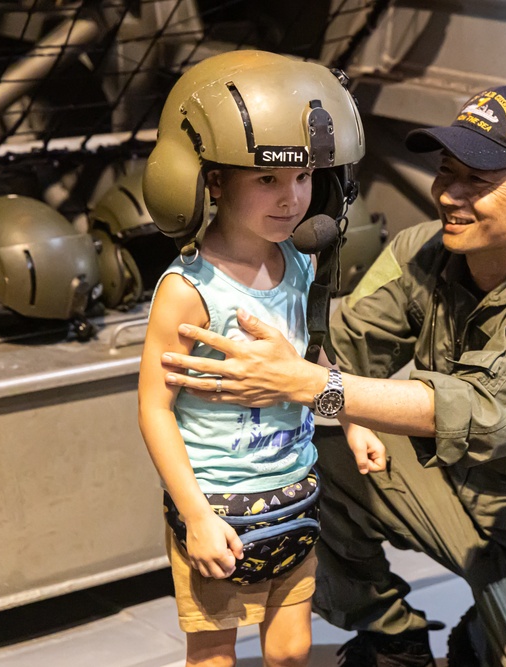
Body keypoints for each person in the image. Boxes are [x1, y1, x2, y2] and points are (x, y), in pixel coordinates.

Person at [162, 85, 506, 667]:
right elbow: (339, 350)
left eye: (478, 182)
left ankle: (489, 630)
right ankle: (390, 635)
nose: (450, 195)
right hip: (441, 485)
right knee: (311, 442)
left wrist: (306, 384)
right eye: (446, 172)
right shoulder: (419, 253)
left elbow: (481, 408)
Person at [137, 51, 379, 667]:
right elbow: (155, 409)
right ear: (213, 181)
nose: (292, 199)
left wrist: (352, 417)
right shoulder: (187, 291)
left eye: (302, 178)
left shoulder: (298, 263)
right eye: (267, 179)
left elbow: (312, 353)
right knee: (214, 654)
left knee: (292, 650)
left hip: (294, 494)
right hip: (219, 506)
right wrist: (194, 514)